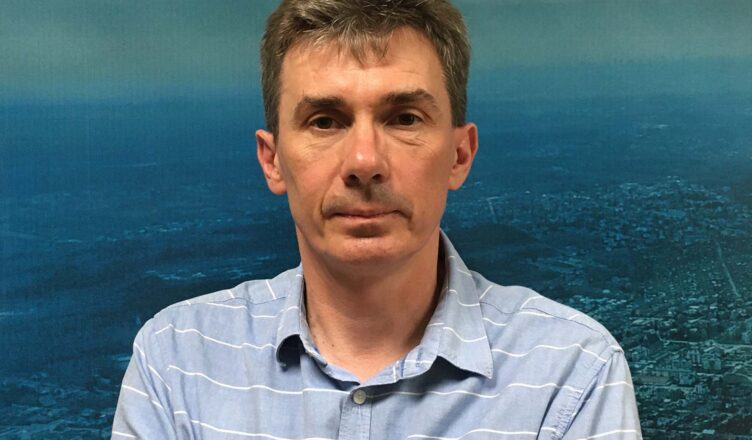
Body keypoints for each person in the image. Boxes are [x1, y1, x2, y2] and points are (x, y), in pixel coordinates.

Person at [112, 0, 642, 438]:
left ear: (459, 155)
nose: (365, 161)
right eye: (325, 121)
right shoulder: (177, 362)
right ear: (272, 161)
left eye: (404, 118)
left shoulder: (572, 372)